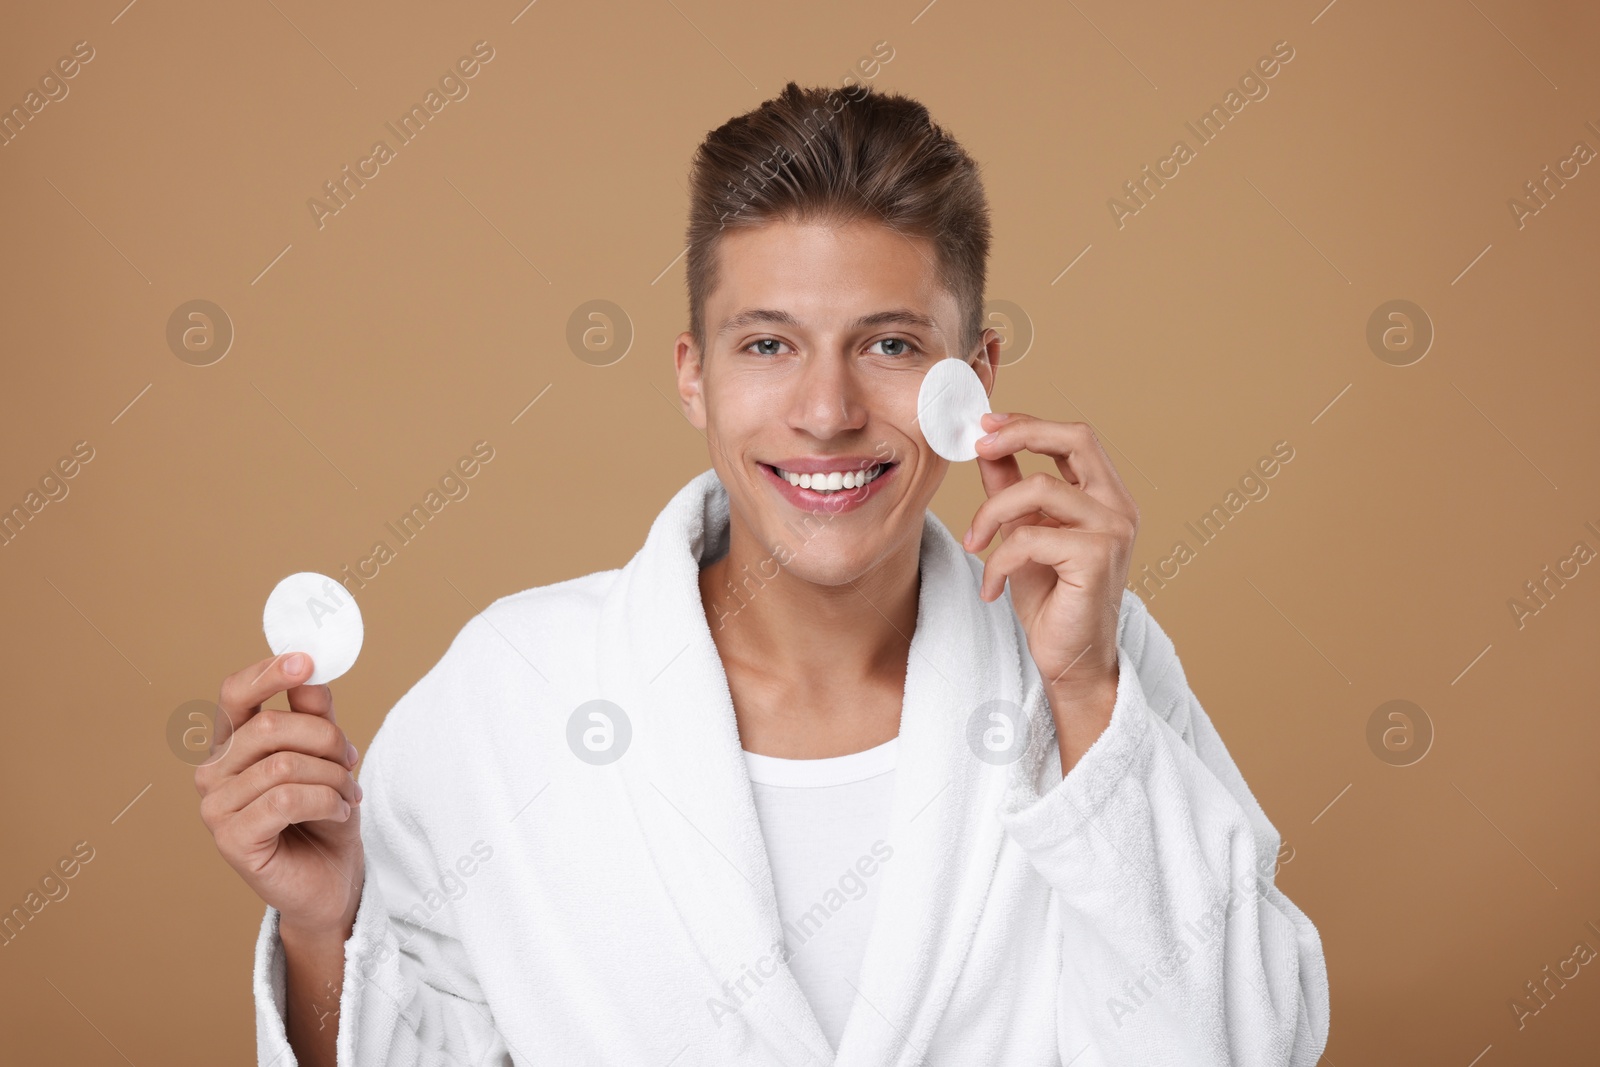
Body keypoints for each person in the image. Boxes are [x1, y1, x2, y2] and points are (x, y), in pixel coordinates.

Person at [197, 81, 1329, 1066]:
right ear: (693, 376)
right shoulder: (513, 694)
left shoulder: (1098, 676)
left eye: (889, 344)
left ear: (974, 376)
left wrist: (1086, 693)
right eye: (767, 344)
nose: (828, 412)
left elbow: (1243, 1047)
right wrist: (321, 928)